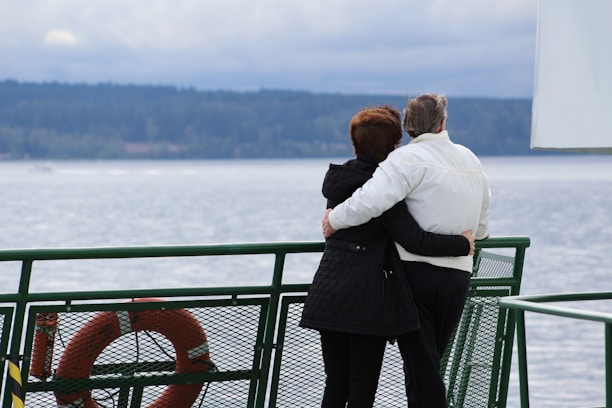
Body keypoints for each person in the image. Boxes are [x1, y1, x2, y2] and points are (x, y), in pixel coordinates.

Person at [300, 105, 476, 408]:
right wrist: (463, 244)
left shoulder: (339, 182)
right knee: (361, 390)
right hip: (368, 298)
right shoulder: (384, 189)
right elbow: (413, 238)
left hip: (328, 293)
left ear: (355, 142)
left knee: (335, 386)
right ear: (394, 146)